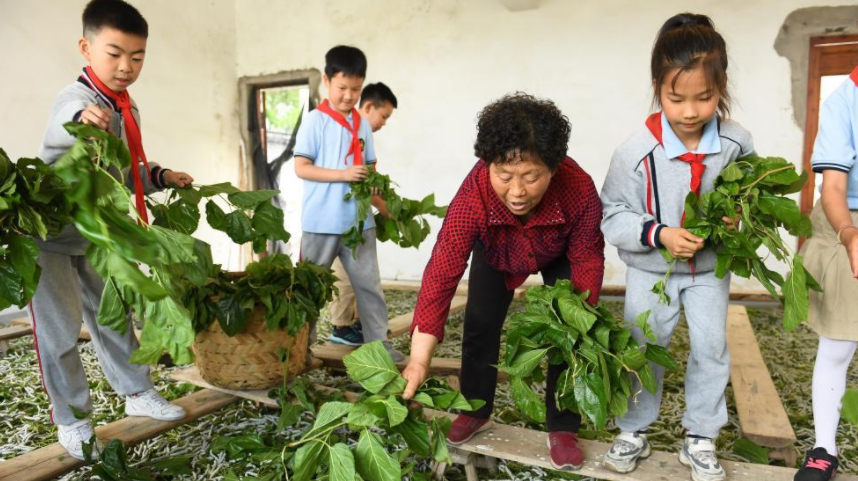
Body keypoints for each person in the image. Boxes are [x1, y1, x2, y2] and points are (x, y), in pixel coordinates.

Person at [401, 93, 605, 471]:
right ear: (487, 164)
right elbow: (443, 269)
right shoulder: (474, 194)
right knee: (480, 322)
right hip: (497, 250)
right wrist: (418, 357)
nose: (517, 192)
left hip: (559, 251)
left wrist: (585, 317)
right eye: (504, 176)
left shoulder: (579, 190)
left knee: (567, 329)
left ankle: (562, 427)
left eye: (531, 177)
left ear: (554, 167)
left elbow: (588, 255)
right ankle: (476, 409)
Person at [31, 0, 193, 460]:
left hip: (97, 236)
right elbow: (62, 131)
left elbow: (122, 171)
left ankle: (136, 391)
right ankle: (71, 419)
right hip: (49, 237)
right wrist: (81, 125)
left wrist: (160, 176)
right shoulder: (78, 100)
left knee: (113, 317)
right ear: (86, 48)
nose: (126, 66)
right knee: (60, 332)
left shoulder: (126, 105)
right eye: (114, 53)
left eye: (138, 56)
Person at [599, 13, 753, 481]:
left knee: (711, 348)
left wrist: (737, 216)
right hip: (651, 273)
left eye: (704, 98)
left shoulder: (736, 145)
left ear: (722, 87)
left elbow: (749, 198)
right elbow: (613, 213)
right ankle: (632, 428)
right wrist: (658, 234)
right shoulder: (634, 151)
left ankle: (700, 436)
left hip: (709, 273)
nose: (690, 111)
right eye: (676, 98)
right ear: (657, 87)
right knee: (643, 346)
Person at [293, 46, 404, 361]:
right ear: (326, 81)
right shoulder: (315, 121)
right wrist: (342, 174)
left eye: (355, 89)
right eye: (342, 88)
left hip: (358, 222)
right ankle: (301, 345)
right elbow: (301, 167)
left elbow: (368, 171)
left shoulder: (363, 124)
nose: (348, 95)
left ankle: (378, 345)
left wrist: (382, 204)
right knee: (310, 288)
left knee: (369, 287)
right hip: (321, 222)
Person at [793, 64, 858, 481]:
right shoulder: (845, 100)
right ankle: (824, 447)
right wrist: (850, 236)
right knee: (839, 342)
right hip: (847, 220)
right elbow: (832, 188)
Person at [329, 82, 398, 346]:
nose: (383, 123)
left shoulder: (362, 137)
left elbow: (367, 180)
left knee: (363, 273)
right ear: (368, 107)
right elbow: (354, 181)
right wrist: (380, 203)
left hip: (355, 217)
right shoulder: (347, 134)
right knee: (345, 274)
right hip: (338, 217)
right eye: (384, 116)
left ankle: (359, 323)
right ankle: (341, 326)